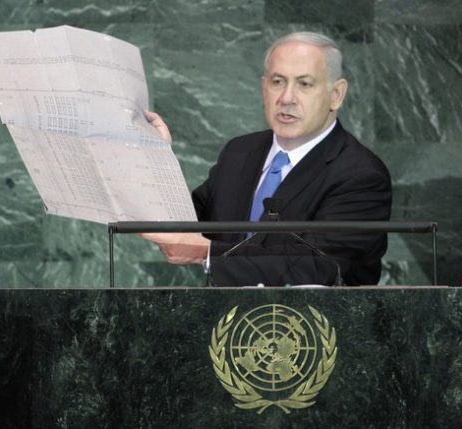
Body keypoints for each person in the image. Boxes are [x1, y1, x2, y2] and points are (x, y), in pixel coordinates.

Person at [142, 31, 392, 286]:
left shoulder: (361, 175)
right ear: (264, 87)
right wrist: (155, 157)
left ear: (336, 94)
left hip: (312, 324)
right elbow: (184, 224)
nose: (286, 98)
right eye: (277, 82)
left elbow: (320, 267)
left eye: (304, 84)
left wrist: (207, 252)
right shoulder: (239, 152)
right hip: (222, 322)